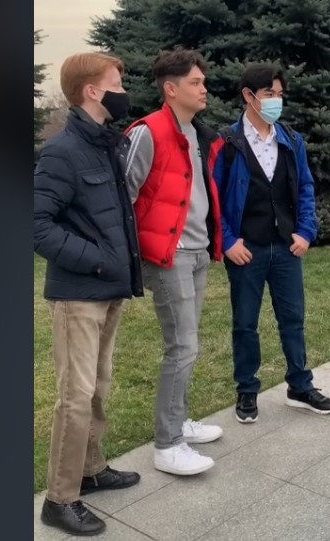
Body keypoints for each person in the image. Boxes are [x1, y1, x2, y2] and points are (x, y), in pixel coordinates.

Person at [33, 51, 143, 537]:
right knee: (75, 397)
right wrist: (97, 260)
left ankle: (91, 470)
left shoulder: (105, 144)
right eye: (116, 84)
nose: (123, 92)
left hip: (108, 289)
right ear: (92, 91)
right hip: (79, 294)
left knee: (98, 387)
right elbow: (36, 225)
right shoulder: (63, 151)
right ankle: (60, 499)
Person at [212, 62, 330, 423]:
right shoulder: (227, 142)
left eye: (280, 94)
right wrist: (228, 241)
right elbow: (213, 197)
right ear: (248, 96)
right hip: (245, 251)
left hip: (286, 247)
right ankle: (247, 390)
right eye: (269, 93)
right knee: (245, 323)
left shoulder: (292, 140)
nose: (276, 101)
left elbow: (306, 188)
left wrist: (306, 231)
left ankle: (300, 386)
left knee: (293, 319)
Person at [122, 48, 224, 476]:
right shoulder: (148, 132)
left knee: (188, 342)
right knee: (182, 346)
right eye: (195, 82)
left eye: (203, 81)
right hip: (169, 254)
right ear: (171, 88)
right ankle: (167, 445)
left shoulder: (197, 134)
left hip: (198, 251)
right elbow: (123, 197)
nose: (204, 89)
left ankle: (179, 421)